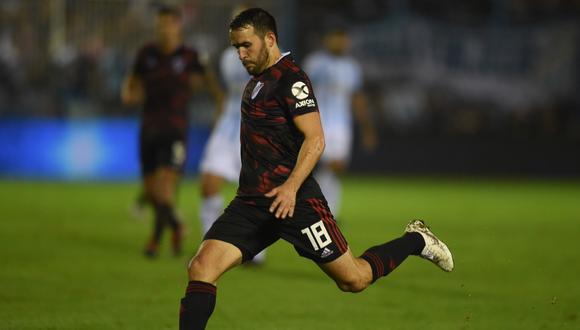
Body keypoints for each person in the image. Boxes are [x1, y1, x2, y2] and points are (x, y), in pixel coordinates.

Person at [178, 8, 454, 329]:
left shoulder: (292, 80)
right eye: (236, 47)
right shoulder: (256, 82)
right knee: (201, 267)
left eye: (246, 45)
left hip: (296, 203)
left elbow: (316, 139)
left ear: (270, 39)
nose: (240, 54)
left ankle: (416, 240)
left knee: (354, 279)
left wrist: (291, 187)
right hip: (253, 202)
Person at [121, 6, 224, 258]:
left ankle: (154, 242)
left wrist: (220, 112)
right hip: (149, 128)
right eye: (160, 23)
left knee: (165, 186)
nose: (163, 28)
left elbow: (212, 86)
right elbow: (132, 81)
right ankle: (177, 227)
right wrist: (129, 92)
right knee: (151, 190)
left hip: (176, 129)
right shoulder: (146, 54)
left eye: (168, 23)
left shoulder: (190, 56)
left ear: (178, 26)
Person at [197, 5, 267, 265]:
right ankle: (211, 242)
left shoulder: (269, 55)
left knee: (258, 193)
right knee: (208, 183)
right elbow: (227, 94)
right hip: (228, 127)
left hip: (257, 131)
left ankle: (255, 251)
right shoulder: (228, 57)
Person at [303, 26, 377, 219]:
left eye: (343, 39)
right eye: (336, 38)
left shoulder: (351, 67)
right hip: (318, 121)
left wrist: (367, 128)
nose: (340, 42)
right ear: (327, 39)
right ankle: (320, 210)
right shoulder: (315, 63)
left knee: (337, 168)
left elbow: (357, 98)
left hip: (342, 125)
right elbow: (301, 91)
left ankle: (326, 212)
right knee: (325, 164)